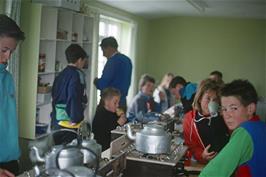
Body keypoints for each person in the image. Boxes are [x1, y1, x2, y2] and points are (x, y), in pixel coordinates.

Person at [200, 79, 266, 177]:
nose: (227, 115)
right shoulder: (261, 126)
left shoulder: (245, 132)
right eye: (224, 109)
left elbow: (213, 172)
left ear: (250, 109)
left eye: (233, 108)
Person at [0, 14, 25, 176]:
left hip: (10, 162)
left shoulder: (7, 77)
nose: (8, 56)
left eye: (12, 51)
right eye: (4, 50)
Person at [183, 79, 229, 164]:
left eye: (215, 100)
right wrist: (202, 155)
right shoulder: (189, 119)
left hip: (223, 162)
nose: (211, 103)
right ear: (200, 99)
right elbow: (191, 146)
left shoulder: (224, 117)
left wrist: (223, 117)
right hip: (202, 164)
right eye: (208, 98)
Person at [50, 44, 88, 143]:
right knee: (69, 155)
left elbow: (54, 95)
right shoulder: (78, 75)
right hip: (69, 122)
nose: (84, 64)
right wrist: (75, 118)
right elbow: (74, 96)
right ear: (79, 60)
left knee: (58, 152)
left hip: (57, 120)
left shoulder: (60, 75)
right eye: (84, 61)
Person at [94, 37, 132, 112]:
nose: (103, 54)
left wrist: (96, 82)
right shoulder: (127, 60)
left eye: (103, 50)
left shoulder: (112, 62)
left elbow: (103, 84)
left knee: (102, 123)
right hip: (122, 102)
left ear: (109, 48)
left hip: (110, 104)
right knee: (120, 123)